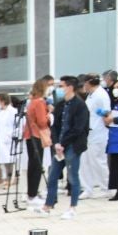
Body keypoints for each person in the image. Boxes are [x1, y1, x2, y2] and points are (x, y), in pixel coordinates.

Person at [42, 76, 89, 220]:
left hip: (72, 146)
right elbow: (55, 126)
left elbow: (78, 128)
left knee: (72, 176)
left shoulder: (80, 106)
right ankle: (48, 204)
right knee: (53, 175)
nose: (59, 89)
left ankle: (72, 207)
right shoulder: (61, 104)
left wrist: (63, 143)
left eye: (62, 86)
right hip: (59, 146)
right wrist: (56, 142)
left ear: (70, 87)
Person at [23, 79, 52, 210]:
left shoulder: (32, 102)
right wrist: (49, 116)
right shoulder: (39, 102)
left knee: (32, 165)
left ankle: (31, 193)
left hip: (30, 135)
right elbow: (41, 121)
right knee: (36, 166)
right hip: (36, 135)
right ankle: (32, 194)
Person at [82, 74, 111, 198]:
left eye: (84, 83)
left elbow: (107, 114)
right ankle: (88, 189)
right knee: (85, 162)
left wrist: (104, 116)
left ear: (89, 82)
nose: (84, 85)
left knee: (98, 162)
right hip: (88, 133)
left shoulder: (101, 94)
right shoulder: (90, 95)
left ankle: (106, 188)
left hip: (98, 133)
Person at [0, 94, 19, 189]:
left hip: (8, 140)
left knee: (9, 161)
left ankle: (9, 180)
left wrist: (10, 135)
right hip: (0, 139)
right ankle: (4, 179)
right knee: (2, 160)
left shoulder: (12, 111)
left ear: (3, 101)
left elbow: (16, 125)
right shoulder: (0, 111)